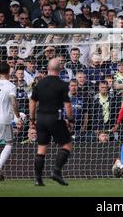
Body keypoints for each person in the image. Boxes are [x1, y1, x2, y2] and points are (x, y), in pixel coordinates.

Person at [29, 58, 74, 186]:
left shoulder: (39, 84)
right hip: (55, 117)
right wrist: (71, 120)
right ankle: (56, 171)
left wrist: (32, 120)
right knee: (67, 145)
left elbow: (32, 103)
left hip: (41, 119)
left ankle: (38, 179)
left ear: (48, 68)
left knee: (41, 148)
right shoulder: (63, 85)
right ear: (60, 69)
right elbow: (68, 106)